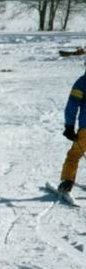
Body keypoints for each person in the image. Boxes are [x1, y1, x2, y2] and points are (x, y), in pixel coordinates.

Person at [56, 60, 86, 194]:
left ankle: (67, 182)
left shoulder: (82, 82)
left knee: (74, 154)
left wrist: (69, 126)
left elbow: (72, 105)